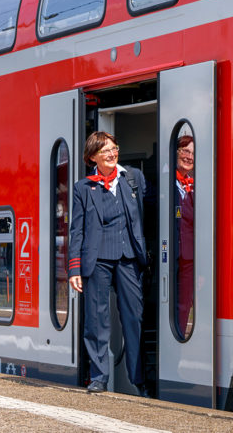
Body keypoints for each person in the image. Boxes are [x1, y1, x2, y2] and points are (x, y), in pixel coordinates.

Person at [68, 131, 149, 396]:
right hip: (98, 260)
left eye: (114, 148)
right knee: (96, 321)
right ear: (93, 157)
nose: (112, 154)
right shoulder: (83, 188)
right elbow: (76, 230)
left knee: (133, 319)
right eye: (105, 151)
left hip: (128, 258)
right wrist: (74, 268)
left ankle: (138, 380)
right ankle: (99, 378)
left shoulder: (133, 179)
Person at [174, 133, 195, 337]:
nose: (189, 157)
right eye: (185, 151)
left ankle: (179, 340)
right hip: (169, 254)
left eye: (193, 153)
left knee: (184, 304)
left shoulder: (195, 187)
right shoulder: (165, 181)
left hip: (188, 257)